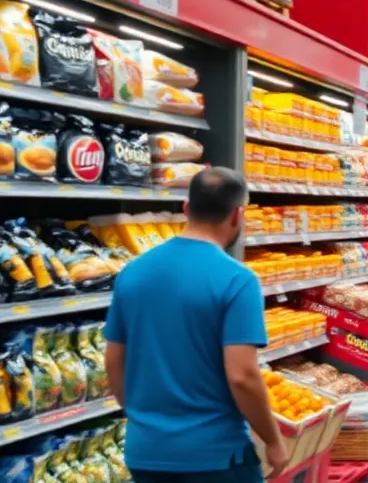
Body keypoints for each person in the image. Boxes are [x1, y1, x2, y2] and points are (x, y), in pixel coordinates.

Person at [104, 167, 289, 483]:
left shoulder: (133, 272)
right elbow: (242, 375)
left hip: (146, 453)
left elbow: (113, 361)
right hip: (214, 457)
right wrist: (273, 440)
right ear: (237, 215)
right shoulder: (238, 280)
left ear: (186, 208)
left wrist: (142, 420)